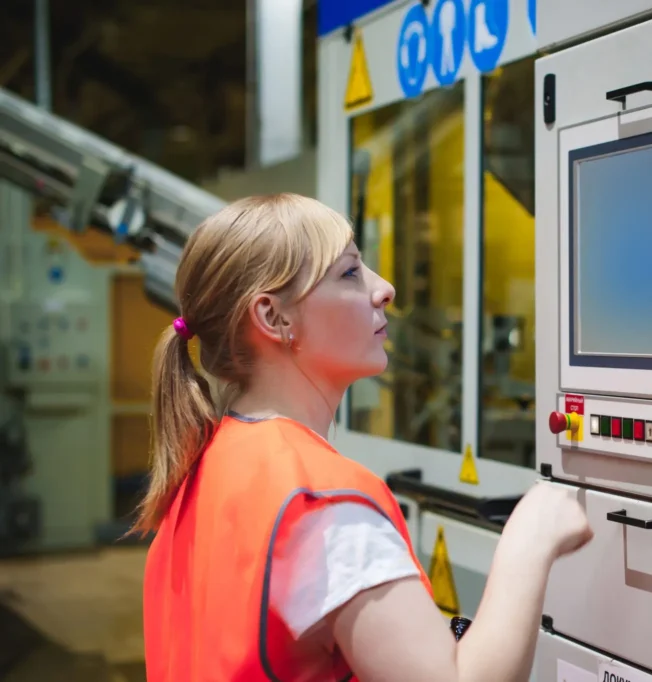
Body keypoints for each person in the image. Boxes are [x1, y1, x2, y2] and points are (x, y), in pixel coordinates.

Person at [137, 193, 593, 682]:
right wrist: (529, 541)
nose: (385, 288)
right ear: (273, 318)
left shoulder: (206, 465)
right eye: (350, 273)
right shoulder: (322, 504)